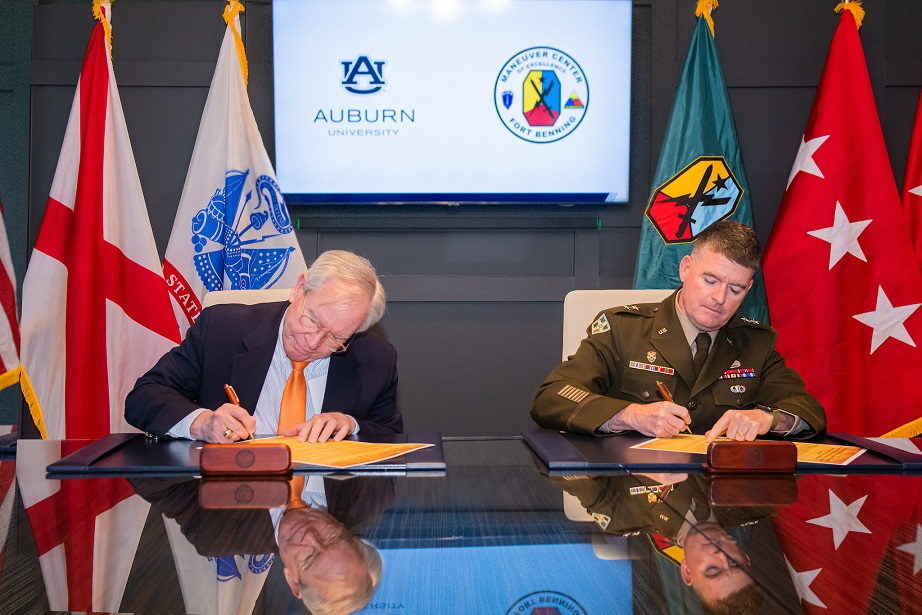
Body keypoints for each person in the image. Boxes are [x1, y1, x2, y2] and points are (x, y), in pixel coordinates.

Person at [531, 221, 825, 441]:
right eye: (710, 281)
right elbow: (552, 397)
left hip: (720, 502)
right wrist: (630, 415)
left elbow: (808, 410)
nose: (720, 299)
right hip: (634, 496)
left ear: (748, 289)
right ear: (686, 269)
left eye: (735, 289)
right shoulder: (622, 329)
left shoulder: (754, 343)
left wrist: (766, 419)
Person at [126, 250, 401, 443]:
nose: (313, 342)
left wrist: (351, 426)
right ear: (299, 289)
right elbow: (144, 397)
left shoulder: (376, 358)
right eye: (312, 320)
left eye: (335, 338)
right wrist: (202, 423)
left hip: (324, 510)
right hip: (232, 510)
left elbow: (390, 435)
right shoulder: (222, 329)